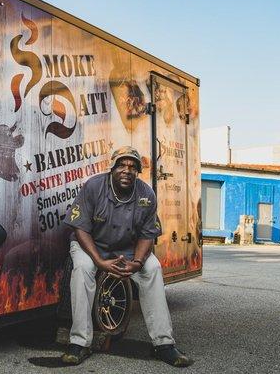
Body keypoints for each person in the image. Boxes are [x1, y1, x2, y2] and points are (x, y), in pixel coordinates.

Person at [60, 146, 193, 367]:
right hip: (91, 245)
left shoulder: (146, 195)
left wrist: (137, 263)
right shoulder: (94, 186)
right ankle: (80, 343)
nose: (127, 170)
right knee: (82, 269)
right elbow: (80, 229)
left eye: (133, 167)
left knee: (153, 269)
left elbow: (147, 235)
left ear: (138, 172)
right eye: (121, 165)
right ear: (112, 167)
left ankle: (164, 344)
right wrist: (99, 261)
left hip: (127, 249)